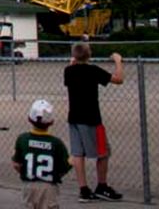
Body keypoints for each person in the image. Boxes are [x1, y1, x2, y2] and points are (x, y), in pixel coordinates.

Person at [64, 41, 124, 202]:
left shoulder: (69, 71)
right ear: (89, 55)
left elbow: (72, 67)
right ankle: (102, 186)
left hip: (74, 118)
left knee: (78, 153)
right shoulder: (93, 71)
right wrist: (118, 61)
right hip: (91, 118)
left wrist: (74, 61)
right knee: (103, 153)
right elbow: (118, 79)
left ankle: (83, 189)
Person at [14, 99, 72, 209]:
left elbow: (16, 164)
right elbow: (66, 166)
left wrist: (26, 172)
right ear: (51, 122)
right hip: (48, 186)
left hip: (29, 184)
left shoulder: (23, 139)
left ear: (29, 119)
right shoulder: (56, 143)